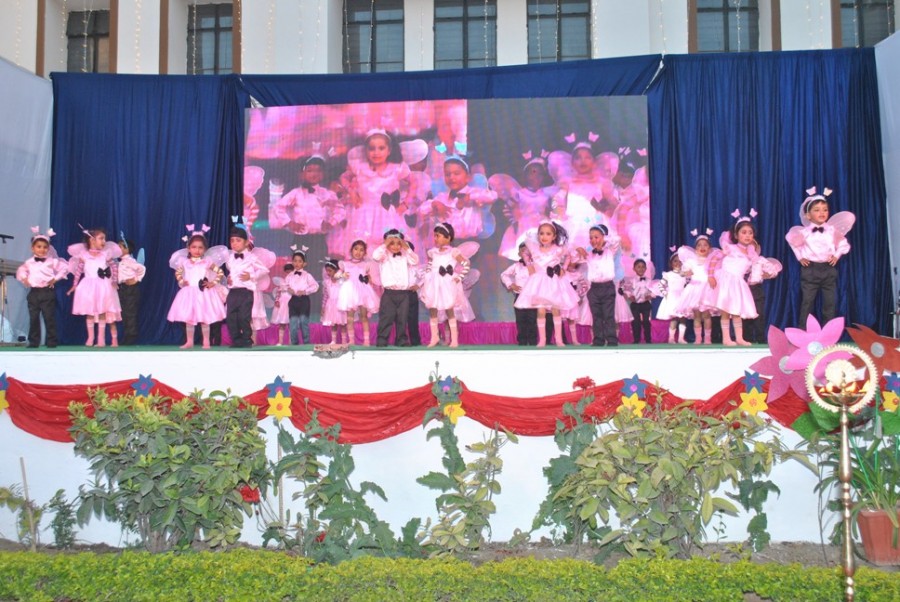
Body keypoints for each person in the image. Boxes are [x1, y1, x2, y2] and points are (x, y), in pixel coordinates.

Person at [786, 187, 854, 326]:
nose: (822, 213)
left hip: (828, 269)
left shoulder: (832, 231)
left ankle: (828, 332)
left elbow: (843, 244)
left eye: (825, 210)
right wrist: (800, 257)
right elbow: (792, 241)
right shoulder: (805, 232)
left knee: (830, 302)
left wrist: (836, 255)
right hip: (810, 270)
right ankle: (803, 331)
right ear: (808, 215)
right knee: (807, 302)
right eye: (817, 210)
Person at [341, 128, 410, 250]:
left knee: (389, 247)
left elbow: (414, 183)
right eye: (371, 148)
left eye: (381, 148)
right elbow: (344, 177)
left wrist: (406, 204)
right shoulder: (360, 167)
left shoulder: (396, 168)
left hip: (388, 214)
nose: (376, 152)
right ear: (366, 151)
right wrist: (351, 192)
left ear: (389, 150)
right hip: (364, 214)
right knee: (364, 246)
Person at [514, 221, 580, 347]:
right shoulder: (534, 248)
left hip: (553, 282)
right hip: (539, 283)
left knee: (556, 310)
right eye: (541, 233)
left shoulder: (558, 249)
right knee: (541, 310)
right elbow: (525, 253)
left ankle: (559, 340)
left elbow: (570, 255)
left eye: (548, 234)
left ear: (554, 236)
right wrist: (529, 265)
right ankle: (542, 340)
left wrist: (563, 269)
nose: (544, 236)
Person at [166, 225, 227, 349]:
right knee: (189, 319)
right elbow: (178, 273)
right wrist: (182, 281)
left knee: (205, 318)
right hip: (189, 293)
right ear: (189, 248)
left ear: (205, 249)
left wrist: (212, 283)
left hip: (203, 293)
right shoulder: (185, 262)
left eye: (200, 247)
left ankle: (206, 341)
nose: (197, 250)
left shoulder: (207, 262)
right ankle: (189, 341)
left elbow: (220, 272)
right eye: (194, 247)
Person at [420, 222, 476, 348]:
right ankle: (434, 337)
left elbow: (466, 264)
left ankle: (454, 339)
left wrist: (459, 277)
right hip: (434, 283)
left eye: (438, 236)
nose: (435, 238)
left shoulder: (453, 252)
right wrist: (427, 274)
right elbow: (430, 265)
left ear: (448, 237)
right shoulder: (433, 252)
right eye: (434, 236)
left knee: (449, 309)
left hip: (447, 283)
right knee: (433, 308)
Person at [711, 212, 762, 346]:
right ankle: (726, 338)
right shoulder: (731, 248)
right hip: (726, 281)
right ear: (736, 235)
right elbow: (715, 258)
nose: (747, 236)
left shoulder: (751, 253)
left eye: (750, 233)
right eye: (744, 232)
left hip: (738, 283)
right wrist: (710, 276)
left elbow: (753, 269)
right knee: (726, 310)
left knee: (737, 311)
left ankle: (739, 338)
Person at [67, 226, 122, 347]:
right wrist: (74, 285)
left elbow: (114, 267)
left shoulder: (105, 254)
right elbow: (79, 271)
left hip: (102, 286)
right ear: (92, 240)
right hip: (88, 286)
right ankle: (90, 338)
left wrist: (114, 280)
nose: (104, 241)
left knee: (102, 311)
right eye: (101, 238)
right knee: (89, 312)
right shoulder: (84, 255)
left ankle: (101, 339)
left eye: (104, 239)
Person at [420, 155, 497, 240]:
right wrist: (434, 204)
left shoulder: (474, 193)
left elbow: (492, 196)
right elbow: (421, 209)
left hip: (472, 241)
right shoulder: (442, 197)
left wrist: (469, 197)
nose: (451, 177)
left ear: (468, 178)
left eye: (456, 174)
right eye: (447, 174)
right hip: (448, 242)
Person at [16, 227, 68, 348]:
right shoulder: (29, 262)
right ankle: (34, 341)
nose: (42, 249)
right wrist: (24, 278)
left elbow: (64, 268)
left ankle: (51, 341)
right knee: (33, 318)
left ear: (48, 249)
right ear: (32, 248)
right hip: (34, 292)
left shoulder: (51, 261)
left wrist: (55, 278)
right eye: (39, 247)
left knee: (49, 317)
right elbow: (21, 270)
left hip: (47, 292)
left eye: (45, 247)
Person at [269, 149, 337, 235]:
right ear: (301, 175)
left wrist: (331, 223)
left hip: (321, 236)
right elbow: (278, 207)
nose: (314, 174)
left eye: (318, 171)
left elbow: (339, 209)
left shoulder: (327, 194)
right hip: (300, 236)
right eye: (309, 171)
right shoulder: (296, 193)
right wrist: (289, 223)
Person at [225, 219, 268, 348]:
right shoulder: (230, 258)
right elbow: (232, 272)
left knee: (244, 317)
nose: (234, 243)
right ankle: (236, 340)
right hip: (233, 291)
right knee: (231, 317)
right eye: (232, 240)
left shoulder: (251, 257)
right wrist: (229, 279)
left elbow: (264, 270)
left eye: (238, 240)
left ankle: (247, 340)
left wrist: (251, 276)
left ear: (246, 242)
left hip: (246, 291)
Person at [372, 229, 419, 347]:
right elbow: (375, 256)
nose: (395, 246)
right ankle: (382, 339)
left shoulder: (405, 254)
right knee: (386, 317)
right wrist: (385, 244)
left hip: (403, 294)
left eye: (398, 244)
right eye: (392, 243)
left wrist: (406, 247)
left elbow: (415, 260)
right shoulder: (384, 255)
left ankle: (401, 340)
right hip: (389, 293)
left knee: (402, 318)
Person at [576, 224, 621, 347]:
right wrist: (579, 250)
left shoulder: (610, 251)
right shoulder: (589, 255)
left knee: (608, 315)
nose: (593, 240)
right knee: (596, 316)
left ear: (603, 237)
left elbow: (616, 239)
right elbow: (575, 259)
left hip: (607, 287)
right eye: (591, 238)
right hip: (594, 288)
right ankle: (598, 340)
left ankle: (612, 340)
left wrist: (604, 240)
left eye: (596, 237)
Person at [676, 229, 722, 345]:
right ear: (695, 248)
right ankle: (698, 338)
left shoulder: (712, 261)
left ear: (710, 248)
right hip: (695, 289)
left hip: (708, 290)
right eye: (699, 245)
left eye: (705, 245)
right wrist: (685, 273)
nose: (702, 247)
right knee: (697, 316)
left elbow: (717, 274)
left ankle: (707, 339)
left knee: (706, 315)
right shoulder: (691, 261)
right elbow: (683, 272)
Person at [337, 239, 380, 346]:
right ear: (351, 250)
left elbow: (371, 278)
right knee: (350, 317)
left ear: (364, 253)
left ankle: (367, 340)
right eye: (356, 249)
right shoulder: (345, 264)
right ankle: (351, 340)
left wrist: (369, 279)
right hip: (350, 291)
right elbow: (336, 275)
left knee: (364, 317)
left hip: (362, 291)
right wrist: (342, 275)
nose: (358, 252)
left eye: (361, 250)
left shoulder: (366, 265)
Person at [501, 242, 537, 346]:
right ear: (519, 254)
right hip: (519, 297)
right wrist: (511, 284)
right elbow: (504, 275)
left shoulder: (536, 265)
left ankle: (533, 342)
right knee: (521, 321)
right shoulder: (516, 266)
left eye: (527, 250)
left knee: (532, 320)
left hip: (532, 297)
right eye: (523, 251)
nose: (525, 253)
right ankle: (522, 342)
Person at [284, 246, 319, 345]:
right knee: (293, 323)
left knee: (303, 321)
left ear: (304, 263)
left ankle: (306, 343)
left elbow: (315, 286)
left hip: (304, 300)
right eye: (295, 261)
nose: (297, 263)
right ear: (292, 262)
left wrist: (305, 291)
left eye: (300, 261)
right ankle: (294, 344)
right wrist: (288, 289)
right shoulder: (289, 276)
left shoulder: (307, 275)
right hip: (293, 300)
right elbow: (284, 285)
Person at [116, 235, 146, 345]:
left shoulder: (130, 261)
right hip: (123, 288)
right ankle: (127, 335)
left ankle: (131, 336)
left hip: (130, 289)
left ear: (127, 249)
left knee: (130, 312)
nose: (117, 249)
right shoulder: (120, 261)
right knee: (124, 312)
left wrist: (136, 279)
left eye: (120, 247)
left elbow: (142, 268)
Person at [655, 251, 689, 344]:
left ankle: (681, 338)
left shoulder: (685, 275)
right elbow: (660, 285)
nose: (678, 263)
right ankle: (671, 338)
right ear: (671, 263)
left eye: (680, 261)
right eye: (675, 261)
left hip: (682, 298)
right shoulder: (668, 275)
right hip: (672, 298)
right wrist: (665, 293)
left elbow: (688, 285)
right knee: (674, 318)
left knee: (682, 318)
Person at [621, 258, 654, 344]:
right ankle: (636, 339)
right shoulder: (631, 280)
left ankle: (648, 340)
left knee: (646, 321)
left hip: (645, 303)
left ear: (646, 269)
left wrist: (651, 295)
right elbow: (627, 289)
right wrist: (630, 296)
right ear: (634, 268)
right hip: (635, 303)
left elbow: (653, 290)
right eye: (638, 267)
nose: (641, 269)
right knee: (636, 322)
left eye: (643, 267)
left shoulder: (649, 280)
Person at [320, 257, 347, 344]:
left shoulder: (341, 281)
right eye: (327, 271)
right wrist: (323, 307)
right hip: (331, 306)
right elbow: (325, 296)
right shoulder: (327, 282)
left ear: (336, 270)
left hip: (340, 304)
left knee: (343, 323)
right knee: (333, 324)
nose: (328, 273)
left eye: (330, 271)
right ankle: (333, 340)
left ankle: (344, 341)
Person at [270, 263, 294, 346]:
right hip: (283, 302)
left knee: (291, 323)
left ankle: (291, 341)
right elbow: (278, 292)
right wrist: (277, 300)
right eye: (287, 272)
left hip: (291, 302)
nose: (288, 273)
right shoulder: (282, 281)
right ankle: (280, 341)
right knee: (282, 322)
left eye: (290, 271)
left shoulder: (295, 282)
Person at [405, 241, 423, 346]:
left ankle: (415, 341)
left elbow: (424, 276)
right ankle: (401, 340)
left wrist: (418, 285)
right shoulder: (396, 265)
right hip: (399, 293)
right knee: (400, 319)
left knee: (413, 318)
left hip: (411, 293)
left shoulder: (415, 266)